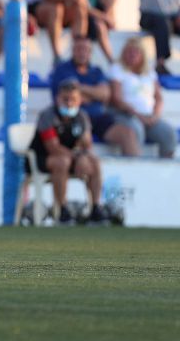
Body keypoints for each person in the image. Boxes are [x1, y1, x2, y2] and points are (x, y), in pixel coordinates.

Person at [28, 79, 108, 225]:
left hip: (72, 158)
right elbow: (53, 148)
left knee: (95, 162)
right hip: (43, 158)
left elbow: (86, 144)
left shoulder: (82, 117)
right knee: (62, 162)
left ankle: (96, 208)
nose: (69, 103)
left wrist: (82, 156)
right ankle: (62, 209)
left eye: (73, 99)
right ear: (58, 98)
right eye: (66, 99)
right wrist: (78, 157)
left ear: (80, 101)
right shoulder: (48, 116)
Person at [49, 38, 134, 155]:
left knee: (128, 134)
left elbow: (105, 94)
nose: (82, 53)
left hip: (98, 117)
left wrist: (80, 88)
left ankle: (134, 172)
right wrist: (94, 94)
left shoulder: (97, 71)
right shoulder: (62, 70)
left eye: (86, 50)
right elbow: (69, 97)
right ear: (72, 50)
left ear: (90, 53)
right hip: (72, 118)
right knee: (84, 139)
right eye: (79, 49)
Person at [109, 38, 176, 158]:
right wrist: (138, 115)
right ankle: (135, 168)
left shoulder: (149, 72)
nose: (132, 55)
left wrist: (155, 116)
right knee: (136, 130)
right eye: (129, 51)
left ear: (142, 55)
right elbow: (116, 99)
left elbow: (159, 98)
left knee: (169, 134)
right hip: (126, 114)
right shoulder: (118, 69)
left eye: (135, 51)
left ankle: (164, 172)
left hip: (148, 116)